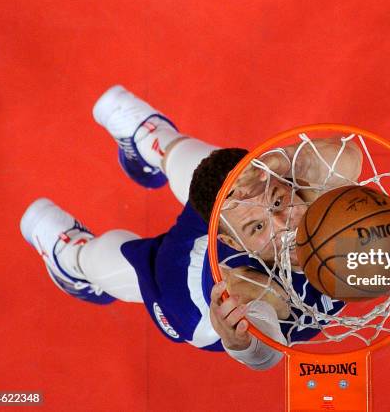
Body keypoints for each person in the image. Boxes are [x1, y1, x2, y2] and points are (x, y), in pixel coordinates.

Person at [20, 86, 362, 370]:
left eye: (278, 203)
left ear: (282, 187)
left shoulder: (297, 214)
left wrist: (238, 338)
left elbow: (261, 346)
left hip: (188, 296)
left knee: (116, 259)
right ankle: (153, 143)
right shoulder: (253, 261)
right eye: (260, 226)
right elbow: (263, 349)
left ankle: (74, 260)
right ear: (231, 238)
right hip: (210, 247)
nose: (283, 226)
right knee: (216, 175)